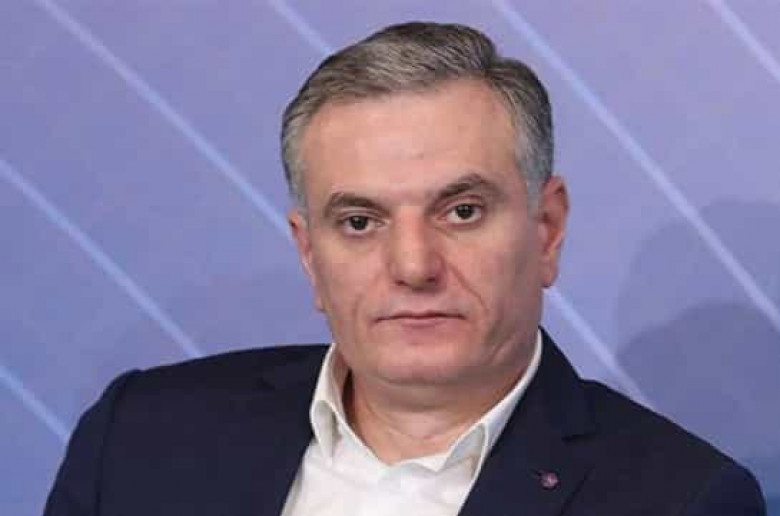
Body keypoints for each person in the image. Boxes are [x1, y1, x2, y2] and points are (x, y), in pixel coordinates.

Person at [44, 22, 766, 516]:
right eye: (360, 222)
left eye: (462, 212)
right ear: (309, 253)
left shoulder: (678, 499)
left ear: (546, 230)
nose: (414, 266)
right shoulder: (139, 438)